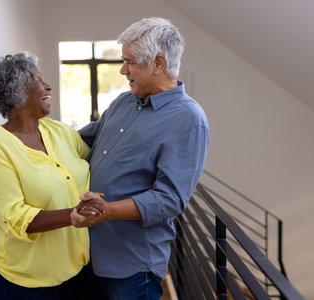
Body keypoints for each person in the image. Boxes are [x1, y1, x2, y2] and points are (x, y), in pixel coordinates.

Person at [70, 17, 210, 300]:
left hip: (132, 267)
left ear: (158, 63)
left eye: (130, 61)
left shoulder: (189, 119)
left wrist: (106, 211)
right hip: (90, 256)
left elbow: (170, 198)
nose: (123, 70)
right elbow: (83, 141)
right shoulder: (125, 101)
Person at [0, 53, 102, 300]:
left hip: (77, 271)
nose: (48, 86)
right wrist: (73, 215)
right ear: (18, 92)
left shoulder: (59, 131)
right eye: (37, 80)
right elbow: (15, 217)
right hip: (24, 282)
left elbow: (94, 162)